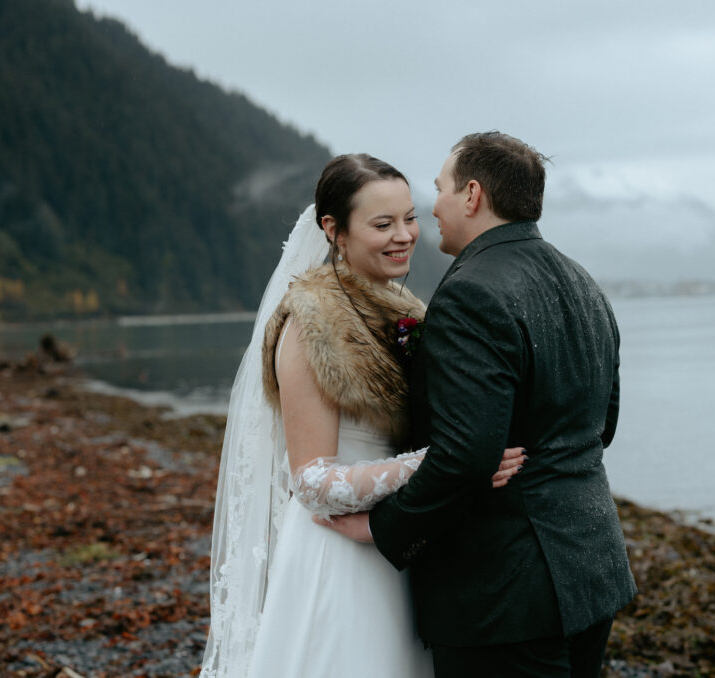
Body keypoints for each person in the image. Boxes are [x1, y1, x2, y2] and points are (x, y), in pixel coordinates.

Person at [319, 132, 637, 678]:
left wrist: (384, 528)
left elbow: (466, 454)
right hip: (594, 568)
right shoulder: (584, 283)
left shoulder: (472, 292)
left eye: (440, 188)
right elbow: (600, 426)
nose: (432, 207)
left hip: (506, 591)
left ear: (471, 195)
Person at [200, 153, 526, 678]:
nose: (404, 235)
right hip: (341, 555)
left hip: (400, 543)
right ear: (333, 230)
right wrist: (445, 464)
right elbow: (310, 482)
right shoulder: (311, 324)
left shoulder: (406, 309)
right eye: (382, 224)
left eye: (410, 217)